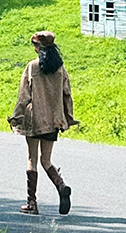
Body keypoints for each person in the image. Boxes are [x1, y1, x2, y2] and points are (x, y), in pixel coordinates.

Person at [8, 31, 79, 215]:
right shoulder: (60, 69)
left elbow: (24, 97)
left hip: (34, 120)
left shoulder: (32, 67)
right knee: (46, 160)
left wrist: (16, 116)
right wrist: (68, 118)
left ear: (38, 48)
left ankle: (32, 203)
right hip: (53, 121)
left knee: (32, 159)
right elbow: (67, 95)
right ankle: (61, 186)